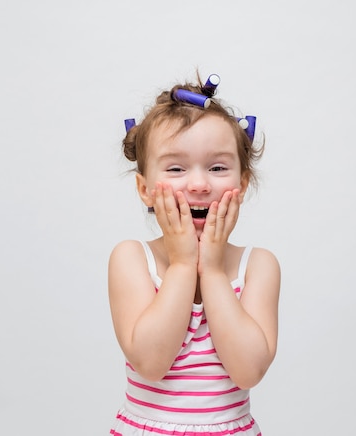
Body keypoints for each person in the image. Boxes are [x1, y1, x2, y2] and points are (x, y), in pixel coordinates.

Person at [108, 72, 280, 435]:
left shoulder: (258, 266)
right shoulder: (132, 259)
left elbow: (249, 371)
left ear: (242, 183)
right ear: (145, 189)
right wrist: (184, 264)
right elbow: (151, 363)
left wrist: (214, 272)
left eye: (218, 168)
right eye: (176, 168)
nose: (200, 184)